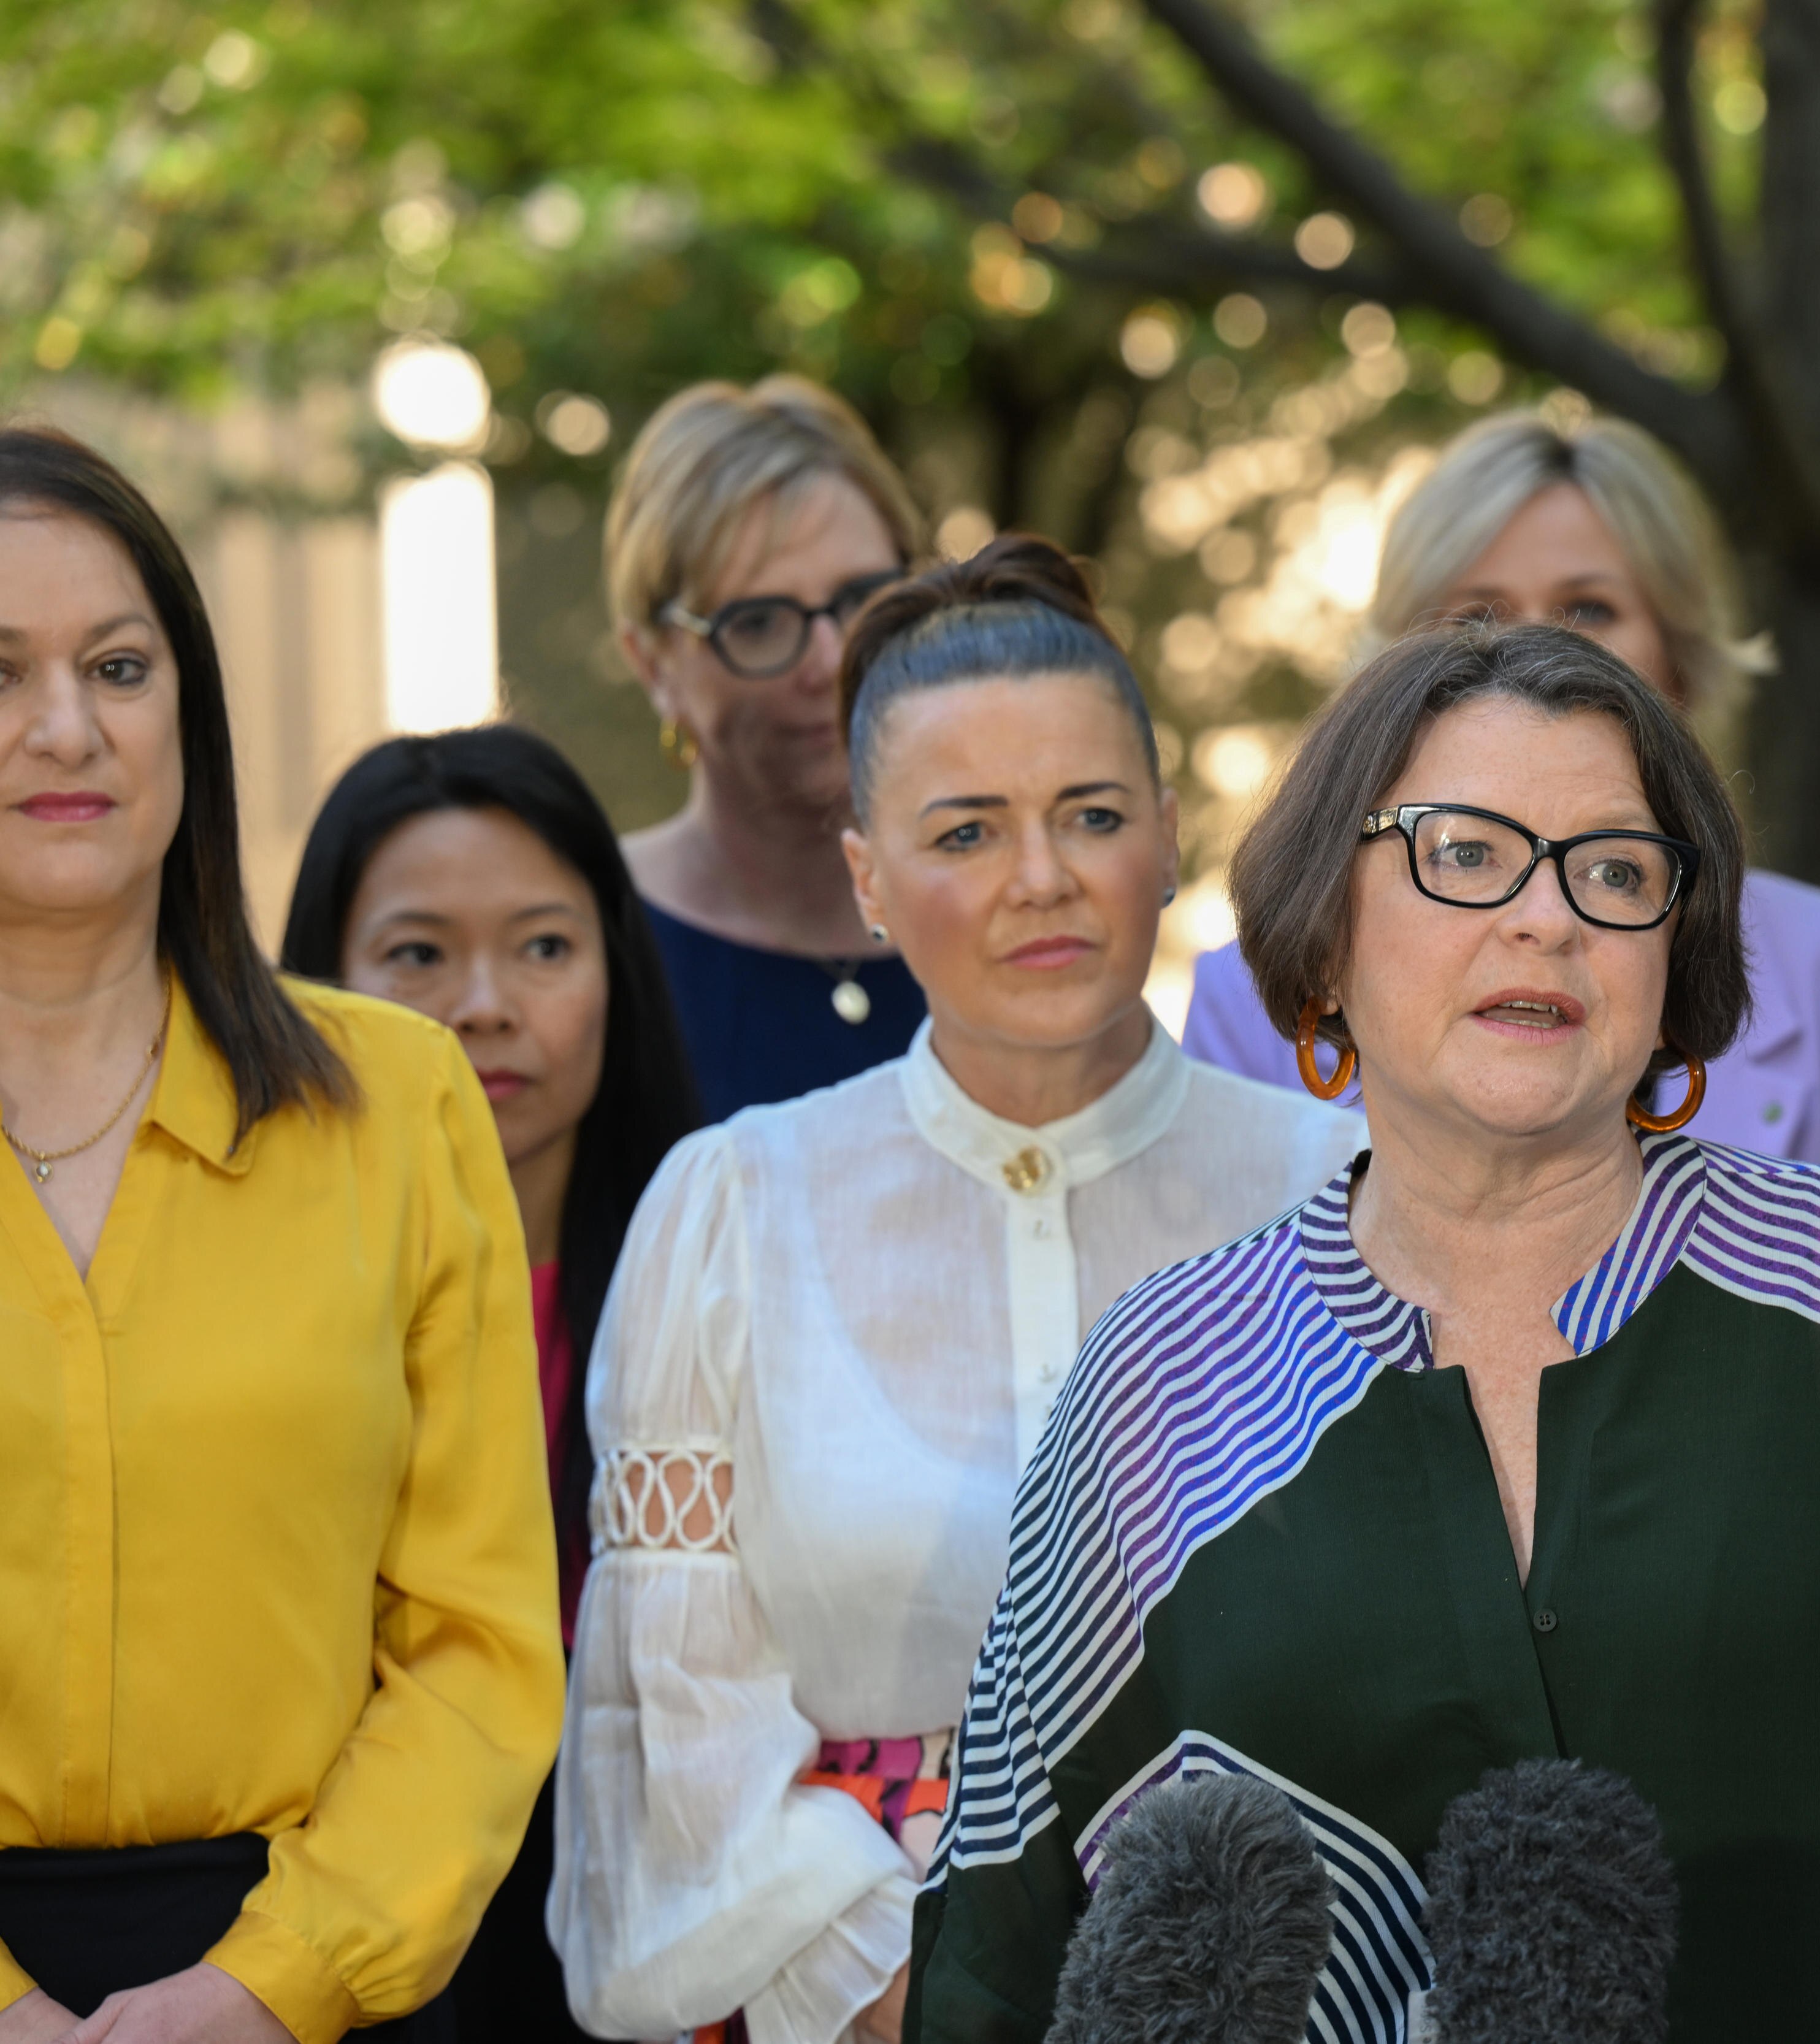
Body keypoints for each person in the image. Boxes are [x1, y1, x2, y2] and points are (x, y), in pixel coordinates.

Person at [912, 622, 1820, 2042]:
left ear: (1674, 955)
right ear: (1323, 925)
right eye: (1464, 853)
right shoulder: (1160, 1384)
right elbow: (1000, 1924)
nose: (1546, 918)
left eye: (1611, 871)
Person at [550, 537, 1358, 2044]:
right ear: (866, 873)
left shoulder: (1346, 1193)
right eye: (965, 832)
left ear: (1171, 836)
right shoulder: (733, 1212)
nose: (1040, 880)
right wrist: (927, 1995)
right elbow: (677, 1731)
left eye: (1091, 816)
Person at [0, 431, 562, 2037]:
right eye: (0, 668)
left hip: (318, 1980)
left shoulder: (395, 1102)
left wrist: (264, 1986)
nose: (65, 725)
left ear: (186, 709)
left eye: (118, 663)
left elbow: (479, 1643)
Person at [280, 725, 703, 2044]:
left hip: (657, 1917)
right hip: (335, 1928)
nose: (485, 1003)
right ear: (319, 982)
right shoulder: (255, 1300)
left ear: (615, 972)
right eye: (417, 953)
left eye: (543, 946)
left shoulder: (716, 1267)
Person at [1182, 409, 1820, 1160]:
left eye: (1587, 609)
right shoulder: (1241, 1003)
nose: (1532, 650)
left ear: (1684, 658)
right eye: (1473, 616)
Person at [608, 375, 932, 1117]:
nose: (829, 660)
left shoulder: (1008, 906)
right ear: (654, 663)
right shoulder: (592, 941)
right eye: (759, 622)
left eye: (860, 601)